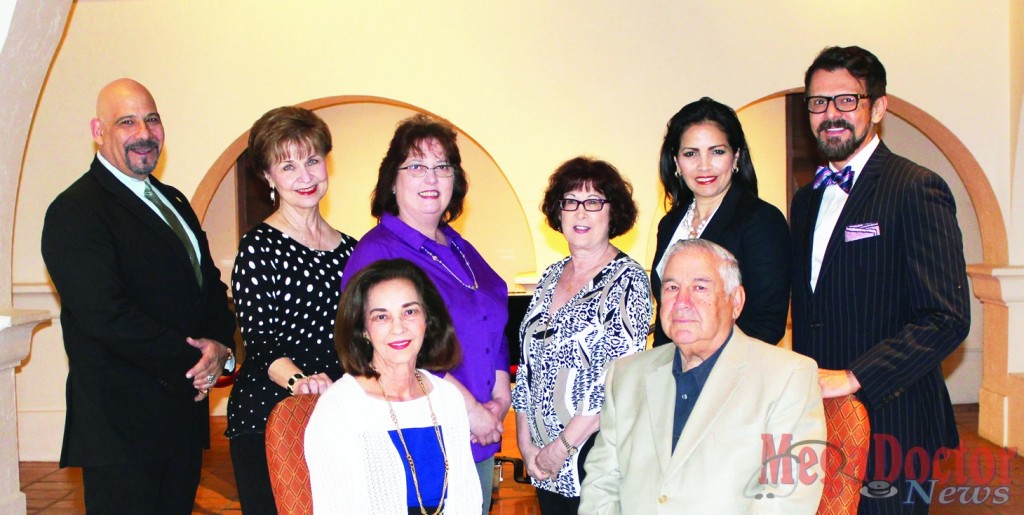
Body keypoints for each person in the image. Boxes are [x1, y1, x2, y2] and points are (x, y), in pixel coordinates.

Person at [40, 78, 236, 513]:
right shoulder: (76, 210)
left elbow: (209, 288)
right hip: (121, 431)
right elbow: (105, 316)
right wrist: (196, 362)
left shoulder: (174, 201)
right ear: (98, 130)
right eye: (126, 121)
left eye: (152, 119)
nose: (144, 133)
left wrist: (222, 348)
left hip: (181, 422)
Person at [790, 46, 970, 514]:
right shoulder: (805, 201)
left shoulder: (916, 188)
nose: (831, 114)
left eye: (847, 100)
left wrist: (854, 377)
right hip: (820, 422)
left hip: (896, 423)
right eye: (818, 102)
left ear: (878, 107)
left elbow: (945, 318)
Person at [580, 239, 826, 514]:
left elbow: (786, 498)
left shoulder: (787, 377)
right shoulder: (626, 375)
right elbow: (601, 483)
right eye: (672, 287)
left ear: (736, 302)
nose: (681, 302)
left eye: (700, 287)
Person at [225, 106, 358, 513]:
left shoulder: (353, 250)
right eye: (288, 165)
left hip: (336, 412)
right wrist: (301, 382)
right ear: (268, 177)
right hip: (269, 416)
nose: (305, 176)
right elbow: (260, 343)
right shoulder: (258, 248)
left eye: (312, 160)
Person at [511, 157, 652, 513]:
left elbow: (614, 383)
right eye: (570, 202)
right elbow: (527, 369)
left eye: (593, 202)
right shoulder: (548, 277)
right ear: (558, 213)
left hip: (595, 459)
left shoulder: (628, 281)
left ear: (613, 212)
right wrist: (525, 446)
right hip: (542, 461)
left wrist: (559, 449)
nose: (581, 213)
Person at [305, 258, 482, 514]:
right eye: (381, 316)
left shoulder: (447, 398)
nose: (399, 327)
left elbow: (467, 499)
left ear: (427, 319)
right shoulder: (339, 408)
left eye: (409, 312)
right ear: (363, 329)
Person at [651, 97, 790, 346]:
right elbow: (666, 313)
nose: (704, 166)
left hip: (732, 375)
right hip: (671, 372)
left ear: (736, 157)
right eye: (691, 153)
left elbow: (767, 323)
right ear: (676, 162)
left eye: (717, 152)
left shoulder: (761, 220)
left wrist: (707, 370)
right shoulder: (669, 224)